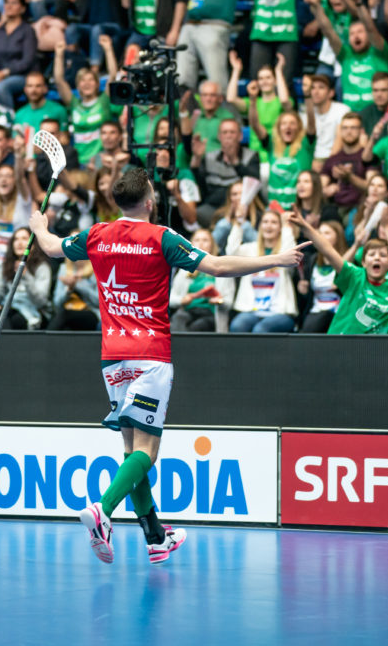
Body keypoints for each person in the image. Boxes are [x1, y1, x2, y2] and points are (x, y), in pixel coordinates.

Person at [30, 167, 307, 565]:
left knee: (131, 451)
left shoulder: (97, 234)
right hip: (151, 357)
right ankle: (102, 510)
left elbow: (53, 247)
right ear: (150, 201)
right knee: (147, 451)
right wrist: (277, 258)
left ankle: (156, 537)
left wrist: (39, 226)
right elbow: (218, 267)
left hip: (113, 357)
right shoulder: (162, 237)